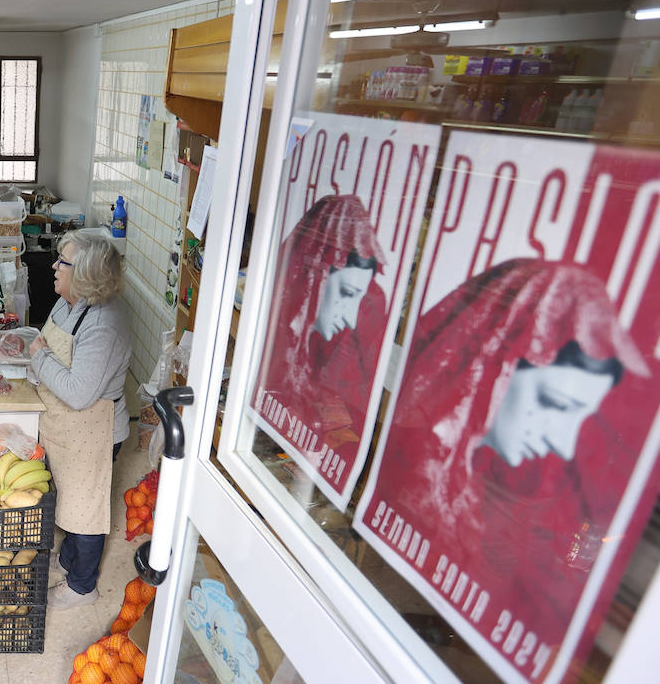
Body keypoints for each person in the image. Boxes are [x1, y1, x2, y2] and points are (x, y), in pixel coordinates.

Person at [368, 258, 649, 636]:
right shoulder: (412, 464)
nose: (562, 444)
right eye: (555, 404)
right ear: (492, 367)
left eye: (580, 417)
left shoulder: (537, 479)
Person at [28, 231, 131, 609]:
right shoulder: (67, 302)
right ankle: (70, 558)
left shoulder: (104, 323)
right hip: (66, 425)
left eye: (63, 262)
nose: (55, 267)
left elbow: (78, 392)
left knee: (85, 509)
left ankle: (82, 586)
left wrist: (40, 358)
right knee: (68, 497)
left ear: (85, 275)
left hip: (94, 430)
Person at [251, 194, 388, 467]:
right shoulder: (278, 314)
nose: (350, 318)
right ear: (315, 279)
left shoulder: (363, 316)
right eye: (346, 293)